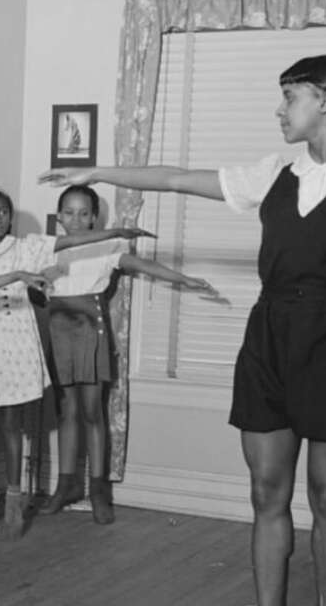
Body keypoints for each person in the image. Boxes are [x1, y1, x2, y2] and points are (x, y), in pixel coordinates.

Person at [39, 54, 326, 606]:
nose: (281, 110)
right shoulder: (274, 173)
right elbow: (179, 179)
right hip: (270, 341)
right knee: (266, 493)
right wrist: (97, 171)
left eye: (291, 98)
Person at [0, 185, 153, 538]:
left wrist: (116, 231)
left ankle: (20, 497)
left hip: (24, 342)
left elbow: (68, 244)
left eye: (4, 211)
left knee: (20, 421)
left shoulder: (28, 247)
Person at [37, 185, 219, 523]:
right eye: (69, 213)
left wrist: (185, 279)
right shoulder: (46, 249)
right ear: (59, 216)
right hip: (59, 333)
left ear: (95, 218)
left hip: (91, 331)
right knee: (66, 413)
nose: (76, 220)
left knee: (93, 412)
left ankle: (98, 491)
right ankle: (65, 486)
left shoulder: (107, 248)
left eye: (84, 213)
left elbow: (145, 266)